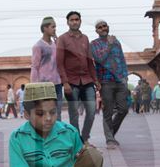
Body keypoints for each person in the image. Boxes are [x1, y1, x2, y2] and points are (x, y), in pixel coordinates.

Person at [56, 11, 98, 143]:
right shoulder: (62, 39)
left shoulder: (85, 38)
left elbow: (89, 61)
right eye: (72, 20)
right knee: (73, 114)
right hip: (71, 82)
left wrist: (95, 79)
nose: (75, 22)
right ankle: (77, 141)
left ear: (80, 21)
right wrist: (65, 83)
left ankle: (84, 137)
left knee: (92, 111)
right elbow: (59, 63)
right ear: (67, 22)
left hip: (87, 80)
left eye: (77, 19)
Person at [90, 19, 129, 148]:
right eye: (100, 27)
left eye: (104, 26)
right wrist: (109, 45)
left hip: (120, 81)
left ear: (108, 27)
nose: (103, 28)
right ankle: (110, 139)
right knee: (108, 111)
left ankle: (110, 133)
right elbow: (99, 59)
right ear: (96, 30)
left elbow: (121, 59)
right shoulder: (94, 44)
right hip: (105, 81)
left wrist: (125, 76)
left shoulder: (116, 42)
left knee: (123, 109)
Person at [31, 16, 63, 115]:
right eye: (53, 27)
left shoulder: (55, 45)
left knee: (57, 113)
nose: (55, 29)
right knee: (47, 113)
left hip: (57, 84)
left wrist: (58, 42)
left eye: (55, 27)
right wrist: (34, 86)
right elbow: (35, 67)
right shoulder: (38, 46)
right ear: (45, 28)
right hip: (45, 85)